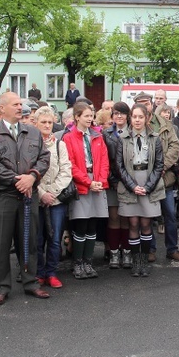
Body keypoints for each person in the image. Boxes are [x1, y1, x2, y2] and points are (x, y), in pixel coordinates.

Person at [0, 92, 51, 306]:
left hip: (29, 195)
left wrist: (32, 177)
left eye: (21, 104)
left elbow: (44, 158)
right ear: (2, 108)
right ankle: (1, 287)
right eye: (16, 104)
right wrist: (17, 180)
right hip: (3, 196)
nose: (21, 107)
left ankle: (30, 282)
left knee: (29, 242)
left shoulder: (33, 133)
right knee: (1, 243)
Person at [116, 104, 165, 277]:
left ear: (147, 118)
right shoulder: (122, 138)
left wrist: (148, 186)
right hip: (131, 181)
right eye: (134, 117)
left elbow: (159, 165)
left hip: (148, 181)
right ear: (130, 118)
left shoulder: (155, 138)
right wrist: (132, 185)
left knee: (146, 224)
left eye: (140, 117)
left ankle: (144, 259)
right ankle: (135, 260)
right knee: (133, 223)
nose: (137, 120)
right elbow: (119, 166)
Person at [135, 92, 179, 262]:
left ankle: (172, 249)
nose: (145, 105)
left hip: (165, 178)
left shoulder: (165, 123)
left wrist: (161, 167)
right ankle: (150, 249)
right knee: (148, 216)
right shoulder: (135, 124)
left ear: (152, 104)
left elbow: (174, 146)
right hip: (144, 179)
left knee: (170, 214)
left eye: (147, 102)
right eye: (141, 103)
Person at [63, 102, 109, 280]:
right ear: (77, 117)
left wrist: (100, 181)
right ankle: (78, 262)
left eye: (92, 116)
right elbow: (71, 165)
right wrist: (87, 182)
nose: (90, 119)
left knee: (92, 225)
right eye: (87, 116)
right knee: (80, 224)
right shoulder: (69, 138)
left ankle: (88, 262)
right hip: (81, 184)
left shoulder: (97, 136)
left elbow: (104, 161)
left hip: (96, 182)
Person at [35, 106, 73, 288]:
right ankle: (39, 273)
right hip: (37, 199)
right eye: (43, 122)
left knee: (55, 238)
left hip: (56, 200)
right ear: (35, 123)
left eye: (50, 122)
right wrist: (42, 194)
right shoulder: (30, 144)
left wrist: (53, 192)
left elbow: (66, 171)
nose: (47, 125)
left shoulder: (60, 144)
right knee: (37, 239)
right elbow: (27, 172)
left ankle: (51, 272)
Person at [103, 102, 132, 269]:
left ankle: (126, 251)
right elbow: (105, 160)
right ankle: (114, 252)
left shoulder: (134, 133)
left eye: (122, 113)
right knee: (114, 217)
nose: (119, 116)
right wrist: (112, 180)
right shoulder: (106, 134)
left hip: (129, 183)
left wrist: (128, 181)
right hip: (112, 182)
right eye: (116, 113)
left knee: (126, 218)